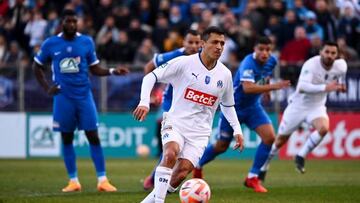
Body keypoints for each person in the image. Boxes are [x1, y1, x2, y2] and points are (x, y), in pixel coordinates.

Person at [133, 26, 244, 203]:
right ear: (203, 43)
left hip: (200, 133)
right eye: (215, 42)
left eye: (222, 43)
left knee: (181, 173)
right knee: (170, 155)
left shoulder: (225, 74)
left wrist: (237, 130)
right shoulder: (184, 63)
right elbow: (150, 77)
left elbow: (228, 105)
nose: (219, 47)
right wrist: (144, 102)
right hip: (176, 122)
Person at [33, 9, 128, 192]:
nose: (71, 24)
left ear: (78, 23)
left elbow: (95, 69)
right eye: (68, 21)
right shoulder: (51, 43)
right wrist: (47, 88)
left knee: (93, 136)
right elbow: (36, 66)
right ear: (62, 23)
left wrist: (112, 71)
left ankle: (102, 180)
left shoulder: (86, 41)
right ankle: (73, 181)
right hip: (63, 97)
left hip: (84, 96)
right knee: (66, 138)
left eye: (74, 21)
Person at [192, 36, 291, 193]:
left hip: (253, 108)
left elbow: (265, 75)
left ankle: (252, 177)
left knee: (270, 138)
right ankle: (198, 164)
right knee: (221, 146)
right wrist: (273, 87)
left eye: (268, 50)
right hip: (233, 108)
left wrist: (266, 88)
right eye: (261, 49)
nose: (265, 53)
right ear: (255, 49)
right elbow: (247, 88)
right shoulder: (248, 63)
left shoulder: (271, 61)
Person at [260, 41, 347, 176]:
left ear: (337, 55)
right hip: (298, 106)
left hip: (317, 107)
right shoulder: (311, 64)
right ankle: (264, 166)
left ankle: (300, 155)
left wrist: (342, 85)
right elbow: (302, 87)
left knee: (323, 128)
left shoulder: (341, 66)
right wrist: (325, 88)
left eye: (333, 53)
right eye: (327, 52)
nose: (329, 55)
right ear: (321, 52)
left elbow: (342, 77)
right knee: (280, 140)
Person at [142, 29, 202, 190]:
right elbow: (149, 66)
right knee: (171, 146)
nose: (194, 46)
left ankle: (161, 179)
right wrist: (150, 93)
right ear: (184, 43)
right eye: (190, 42)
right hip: (171, 102)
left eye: (197, 43)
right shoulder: (175, 55)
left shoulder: (204, 57)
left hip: (192, 105)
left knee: (184, 147)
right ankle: (154, 178)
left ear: (201, 44)